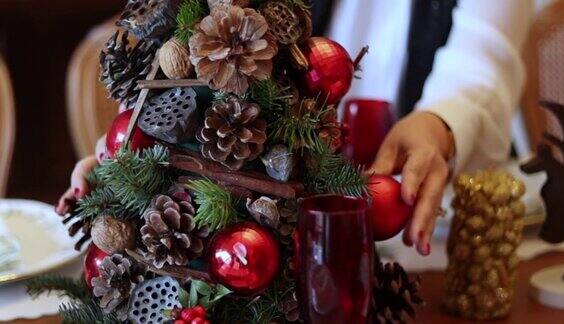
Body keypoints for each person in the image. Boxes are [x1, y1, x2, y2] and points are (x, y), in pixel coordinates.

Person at [57, 0, 534, 258]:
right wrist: (140, 154)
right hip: (282, 238)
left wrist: (440, 124)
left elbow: (484, 57)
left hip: (437, 240)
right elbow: (212, 64)